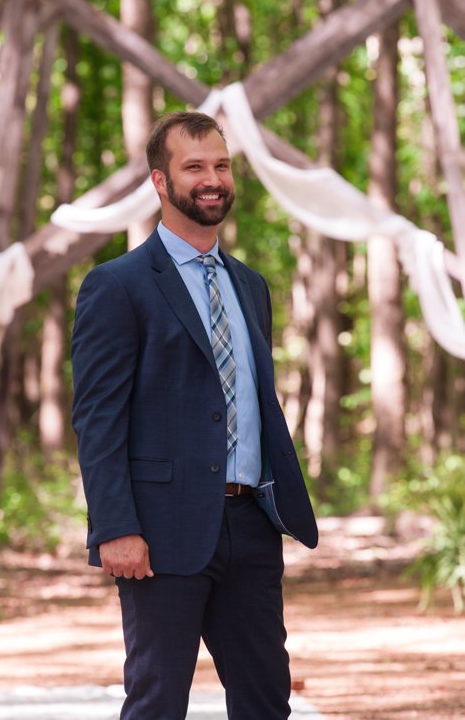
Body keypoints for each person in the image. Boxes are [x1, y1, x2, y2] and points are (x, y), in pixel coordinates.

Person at [70, 111, 319, 719]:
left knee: (267, 702)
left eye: (221, 166)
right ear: (161, 181)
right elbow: (98, 417)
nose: (213, 180)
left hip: (252, 526)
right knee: (157, 703)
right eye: (194, 168)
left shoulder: (251, 285)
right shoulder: (118, 285)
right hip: (159, 534)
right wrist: (115, 527)